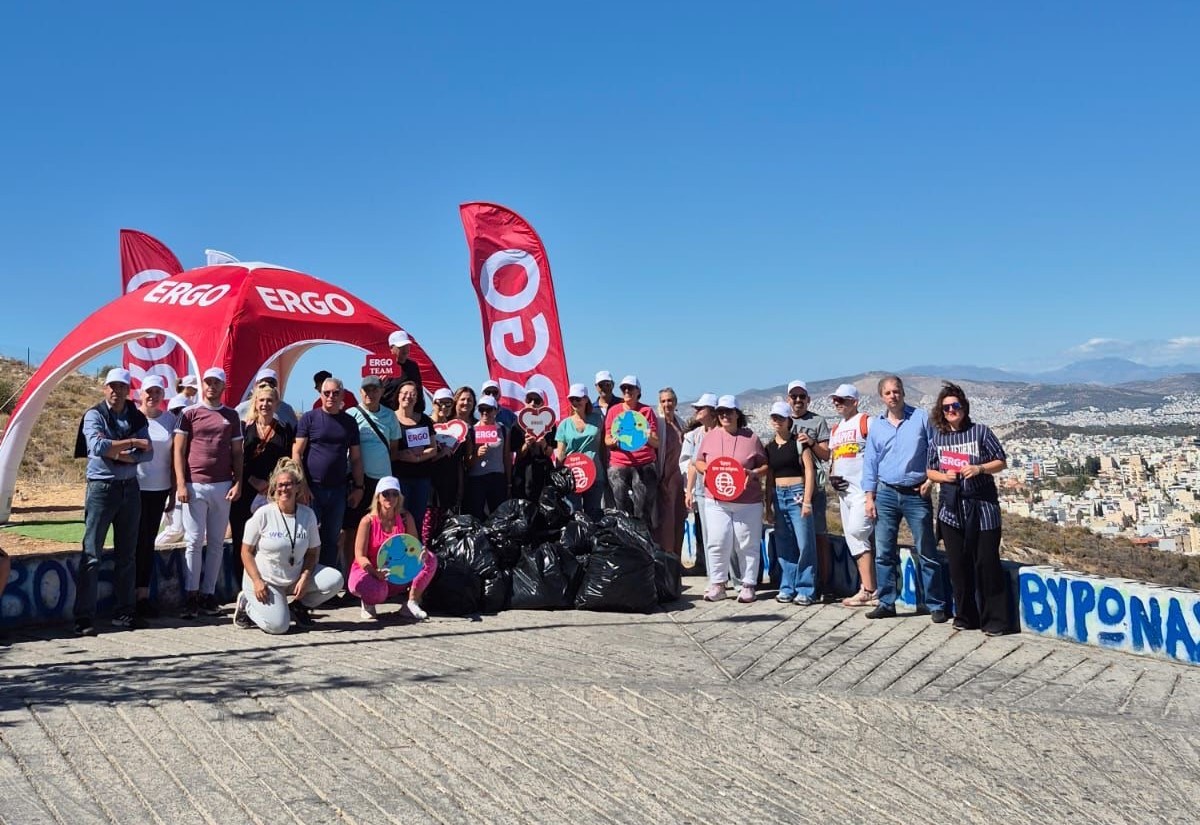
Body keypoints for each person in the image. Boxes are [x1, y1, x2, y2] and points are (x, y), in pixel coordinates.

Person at [861, 375, 948, 622]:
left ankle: (935, 604)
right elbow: (871, 462)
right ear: (881, 397)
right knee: (884, 551)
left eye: (896, 391)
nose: (893, 396)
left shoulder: (921, 418)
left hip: (916, 492)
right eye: (888, 393)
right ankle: (887, 602)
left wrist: (931, 480)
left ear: (903, 393)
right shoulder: (876, 425)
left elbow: (936, 449)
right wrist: (870, 497)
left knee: (926, 550)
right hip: (886, 492)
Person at [73, 368, 152, 635]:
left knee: (127, 555)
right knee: (92, 553)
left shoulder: (136, 416)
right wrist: (129, 444)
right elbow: (97, 447)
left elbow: (147, 453)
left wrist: (117, 453)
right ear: (104, 388)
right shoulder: (94, 415)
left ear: (128, 390)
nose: (115, 391)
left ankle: (125, 612)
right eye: (111, 386)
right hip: (101, 489)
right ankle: (83, 616)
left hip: (130, 489)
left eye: (121, 387)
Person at [926, 382, 1009, 635]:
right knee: (958, 566)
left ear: (964, 407)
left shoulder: (981, 432)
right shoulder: (938, 438)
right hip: (951, 510)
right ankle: (965, 615)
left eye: (956, 405)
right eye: (947, 407)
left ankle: (995, 620)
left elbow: (1001, 461)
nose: (952, 410)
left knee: (986, 563)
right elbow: (929, 470)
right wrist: (944, 478)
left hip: (982, 508)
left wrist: (980, 468)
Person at [234, 459, 344, 634]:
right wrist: (257, 581)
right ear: (274, 488)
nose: (284, 489)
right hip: (266, 580)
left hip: (294, 576)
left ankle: (298, 607)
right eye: (280, 485)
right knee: (279, 626)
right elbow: (246, 552)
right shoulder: (263, 514)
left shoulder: (308, 515)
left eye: (289, 484)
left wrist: (306, 576)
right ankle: (247, 605)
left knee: (335, 579)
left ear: (298, 488)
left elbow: (313, 551)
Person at [174, 367, 243, 619]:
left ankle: (207, 594)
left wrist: (239, 482)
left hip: (223, 485)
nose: (211, 386)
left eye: (216, 383)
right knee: (193, 541)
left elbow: (237, 452)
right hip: (194, 485)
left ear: (224, 387)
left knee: (216, 543)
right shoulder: (188, 413)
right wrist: (181, 484)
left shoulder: (232, 416)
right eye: (208, 382)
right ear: (202, 385)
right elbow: (179, 451)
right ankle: (191, 594)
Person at [693, 395, 767, 603]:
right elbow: (698, 461)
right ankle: (717, 583)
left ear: (737, 414)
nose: (725, 415)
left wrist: (753, 474)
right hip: (716, 499)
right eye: (721, 412)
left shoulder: (751, 437)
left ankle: (748, 584)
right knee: (717, 540)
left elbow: (764, 466)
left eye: (729, 411)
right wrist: (706, 470)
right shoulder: (710, 436)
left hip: (747, 501)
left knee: (747, 543)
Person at [293, 376, 364, 571]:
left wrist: (359, 487)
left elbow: (356, 458)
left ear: (342, 394)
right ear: (320, 394)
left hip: (338, 490)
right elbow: (297, 453)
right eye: (327, 393)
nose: (331, 396)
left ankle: (327, 587)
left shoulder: (349, 422)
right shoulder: (309, 418)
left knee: (331, 539)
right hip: (311, 490)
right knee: (306, 538)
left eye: (335, 393)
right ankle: (304, 587)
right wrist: (303, 485)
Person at [229, 383, 296, 593]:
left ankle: (270, 584)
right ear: (255, 403)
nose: (265, 404)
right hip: (245, 490)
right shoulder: (244, 428)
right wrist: (251, 480)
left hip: (273, 492)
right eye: (261, 400)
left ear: (276, 403)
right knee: (243, 538)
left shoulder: (284, 430)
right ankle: (243, 587)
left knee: (270, 539)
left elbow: (287, 462)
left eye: (269, 400)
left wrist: (271, 484)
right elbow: (236, 458)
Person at [348, 476, 438, 621]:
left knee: (431, 559)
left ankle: (412, 602)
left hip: (395, 571)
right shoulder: (367, 521)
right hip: (369, 572)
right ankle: (368, 602)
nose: (390, 497)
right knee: (379, 591)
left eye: (394, 493)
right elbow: (359, 556)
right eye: (386, 493)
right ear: (378, 497)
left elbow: (414, 546)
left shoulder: (405, 517)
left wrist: (422, 554)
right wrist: (374, 572)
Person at [828, 384, 878, 608]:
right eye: (835, 400)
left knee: (858, 532)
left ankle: (871, 588)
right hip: (844, 492)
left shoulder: (866, 422)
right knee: (852, 538)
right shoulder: (836, 428)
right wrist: (832, 475)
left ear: (855, 401)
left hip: (863, 491)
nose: (838, 403)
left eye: (842, 400)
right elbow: (835, 456)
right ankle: (867, 588)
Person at [764, 401, 818, 605]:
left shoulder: (799, 443)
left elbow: (809, 471)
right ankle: (787, 585)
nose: (776, 421)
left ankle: (806, 588)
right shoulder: (769, 447)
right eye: (774, 417)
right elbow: (769, 477)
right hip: (778, 495)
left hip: (797, 493)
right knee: (784, 543)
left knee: (804, 542)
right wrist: (767, 505)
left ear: (789, 420)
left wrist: (807, 500)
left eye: (780, 417)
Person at [787, 380, 834, 600]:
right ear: (789, 400)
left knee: (819, 535)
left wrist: (812, 442)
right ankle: (798, 581)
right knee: (795, 537)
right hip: (790, 487)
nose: (798, 400)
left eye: (801, 397)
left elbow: (826, 455)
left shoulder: (818, 421)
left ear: (808, 399)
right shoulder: (783, 422)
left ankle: (823, 583)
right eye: (794, 397)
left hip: (814, 488)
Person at [134, 374, 176, 618]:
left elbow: (174, 457)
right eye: (149, 392)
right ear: (141, 394)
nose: (153, 396)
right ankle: (126, 597)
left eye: (157, 392)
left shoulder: (170, 419)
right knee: (132, 541)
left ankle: (142, 596)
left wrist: (173, 489)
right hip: (134, 488)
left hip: (159, 489)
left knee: (148, 541)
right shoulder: (133, 417)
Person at [346, 375, 401, 545]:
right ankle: (352, 568)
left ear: (382, 391)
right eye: (367, 390)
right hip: (357, 480)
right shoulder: (351, 414)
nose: (371, 393)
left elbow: (394, 448)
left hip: (382, 482)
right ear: (361, 392)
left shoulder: (390, 416)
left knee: (382, 524)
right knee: (352, 527)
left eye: (375, 389)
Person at [603, 375, 660, 526]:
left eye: (630, 388)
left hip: (644, 463)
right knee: (622, 507)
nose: (626, 390)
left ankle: (644, 541)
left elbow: (656, 442)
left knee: (643, 509)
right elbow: (607, 440)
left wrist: (647, 437)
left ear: (638, 391)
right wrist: (613, 442)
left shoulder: (647, 411)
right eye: (623, 388)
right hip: (620, 463)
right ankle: (626, 539)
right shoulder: (614, 411)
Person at [392, 380, 440, 529]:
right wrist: (401, 455)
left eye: (413, 394)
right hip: (399, 478)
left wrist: (417, 458)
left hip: (421, 479)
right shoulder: (390, 419)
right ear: (398, 396)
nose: (408, 396)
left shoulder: (424, 420)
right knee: (399, 519)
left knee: (417, 519)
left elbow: (433, 449)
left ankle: (416, 550)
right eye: (405, 393)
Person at [555, 383, 607, 520]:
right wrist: (558, 474)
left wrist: (606, 468)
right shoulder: (564, 425)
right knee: (574, 514)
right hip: (573, 476)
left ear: (586, 399)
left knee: (594, 515)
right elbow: (560, 452)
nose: (575, 402)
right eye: (572, 399)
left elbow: (603, 447)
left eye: (578, 399)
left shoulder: (598, 419)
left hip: (595, 474)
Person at [682, 393, 718, 575]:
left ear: (712, 412)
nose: (696, 411)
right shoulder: (694, 435)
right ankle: (714, 575)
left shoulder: (722, 433)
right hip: (703, 492)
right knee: (706, 534)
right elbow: (692, 465)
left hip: (721, 491)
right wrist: (689, 491)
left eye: (700, 408)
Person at [426, 387, 468, 540]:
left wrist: (460, 488)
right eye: (440, 403)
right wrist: (439, 454)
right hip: (429, 487)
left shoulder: (456, 429)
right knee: (427, 529)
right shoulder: (424, 424)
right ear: (433, 403)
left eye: (448, 403)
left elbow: (458, 462)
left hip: (449, 486)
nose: (443, 407)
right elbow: (420, 458)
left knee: (444, 531)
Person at [464, 395, 511, 519]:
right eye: (481, 409)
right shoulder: (472, 431)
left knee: (498, 517)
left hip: (497, 478)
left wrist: (509, 481)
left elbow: (506, 457)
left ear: (496, 410)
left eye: (489, 409)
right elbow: (467, 463)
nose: (485, 413)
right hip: (477, 479)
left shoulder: (503, 430)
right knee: (477, 516)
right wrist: (477, 454)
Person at [155, 392, 191, 546]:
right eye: (176, 411)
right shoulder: (164, 433)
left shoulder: (193, 433)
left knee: (191, 531)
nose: (179, 415)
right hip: (167, 486)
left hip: (188, 485)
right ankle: (149, 549)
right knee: (175, 529)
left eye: (183, 411)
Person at [655, 387, 687, 554]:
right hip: (664, 478)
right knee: (665, 522)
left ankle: (677, 559)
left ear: (675, 402)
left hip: (680, 480)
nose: (667, 404)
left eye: (670, 400)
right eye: (663, 401)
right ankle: (666, 561)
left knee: (679, 520)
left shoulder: (681, 424)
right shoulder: (657, 424)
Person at [512, 390, 556, 502]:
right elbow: (518, 455)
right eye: (529, 400)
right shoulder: (517, 424)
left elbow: (550, 452)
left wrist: (544, 444)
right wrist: (526, 445)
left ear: (542, 403)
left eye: (536, 400)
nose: (532, 403)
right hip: (524, 471)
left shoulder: (550, 422)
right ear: (525, 402)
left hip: (544, 471)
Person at [381, 330, 425, 414]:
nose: (405, 350)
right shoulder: (383, 366)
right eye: (401, 347)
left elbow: (419, 392)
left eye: (407, 346)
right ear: (391, 348)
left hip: (410, 416)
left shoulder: (413, 366)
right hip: (387, 416)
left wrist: (419, 414)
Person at [594, 371, 619, 508]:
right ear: (596, 387)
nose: (604, 387)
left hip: (619, 461)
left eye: (607, 384)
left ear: (612, 385)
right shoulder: (590, 409)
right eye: (601, 385)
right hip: (599, 461)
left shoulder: (622, 405)